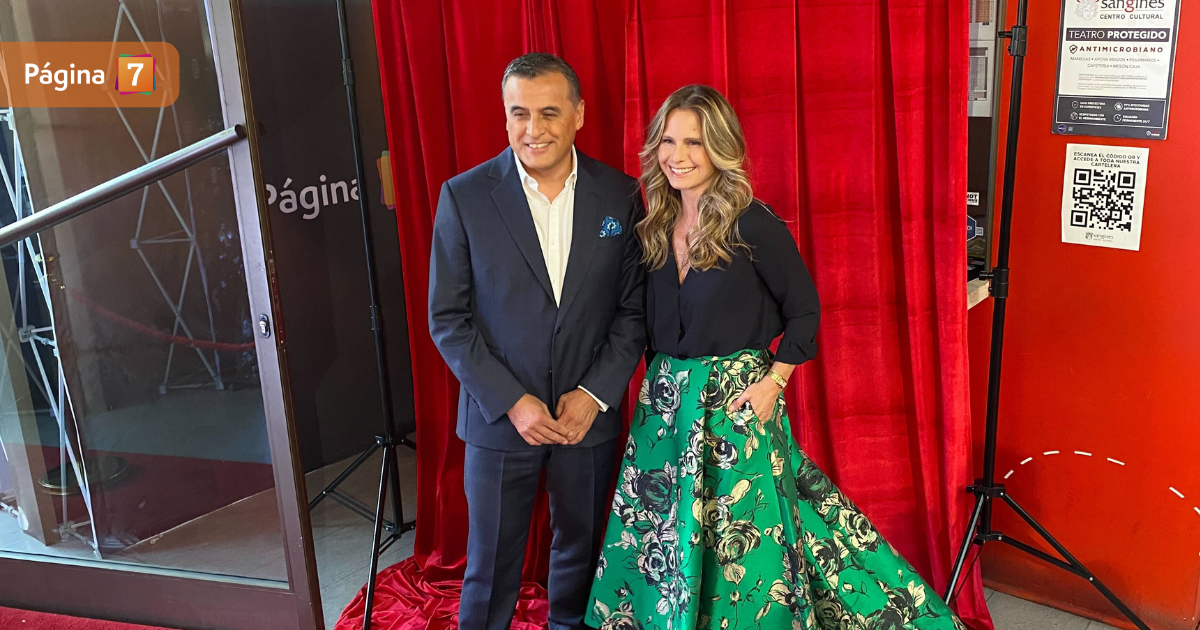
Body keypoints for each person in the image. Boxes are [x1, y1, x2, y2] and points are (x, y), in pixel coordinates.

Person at [586, 85, 966, 630]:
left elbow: (805, 310)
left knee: (745, 540)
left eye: (694, 142)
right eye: (668, 141)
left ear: (721, 147)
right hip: (666, 408)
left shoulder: (751, 222)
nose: (678, 155)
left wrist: (774, 382)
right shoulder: (653, 227)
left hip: (737, 401)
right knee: (668, 532)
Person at [428, 53, 645, 630]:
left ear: (578, 114)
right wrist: (512, 402)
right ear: (505, 117)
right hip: (500, 423)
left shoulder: (621, 195)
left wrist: (593, 396)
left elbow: (633, 312)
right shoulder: (464, 197)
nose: (533, 128)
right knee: (491, 568)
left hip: (586, 421)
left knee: (583, 555)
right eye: (519, 113)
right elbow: (448, 319)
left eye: (549, 112)